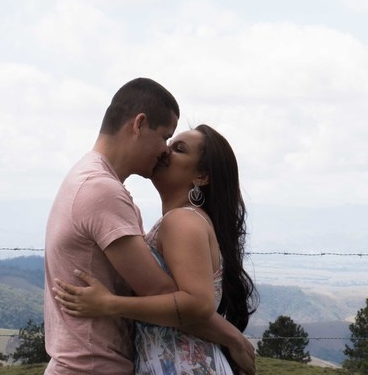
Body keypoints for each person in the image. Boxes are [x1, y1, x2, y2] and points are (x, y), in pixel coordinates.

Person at [44, 78, 254, 375]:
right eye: (165, 138)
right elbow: (163, 292)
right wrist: (232, 337)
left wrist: (110, 304)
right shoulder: (101, 189)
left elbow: (182, 300)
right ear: (139, 124)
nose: (165, 151)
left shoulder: (175, 217)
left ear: (202, 176)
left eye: (176, 146)